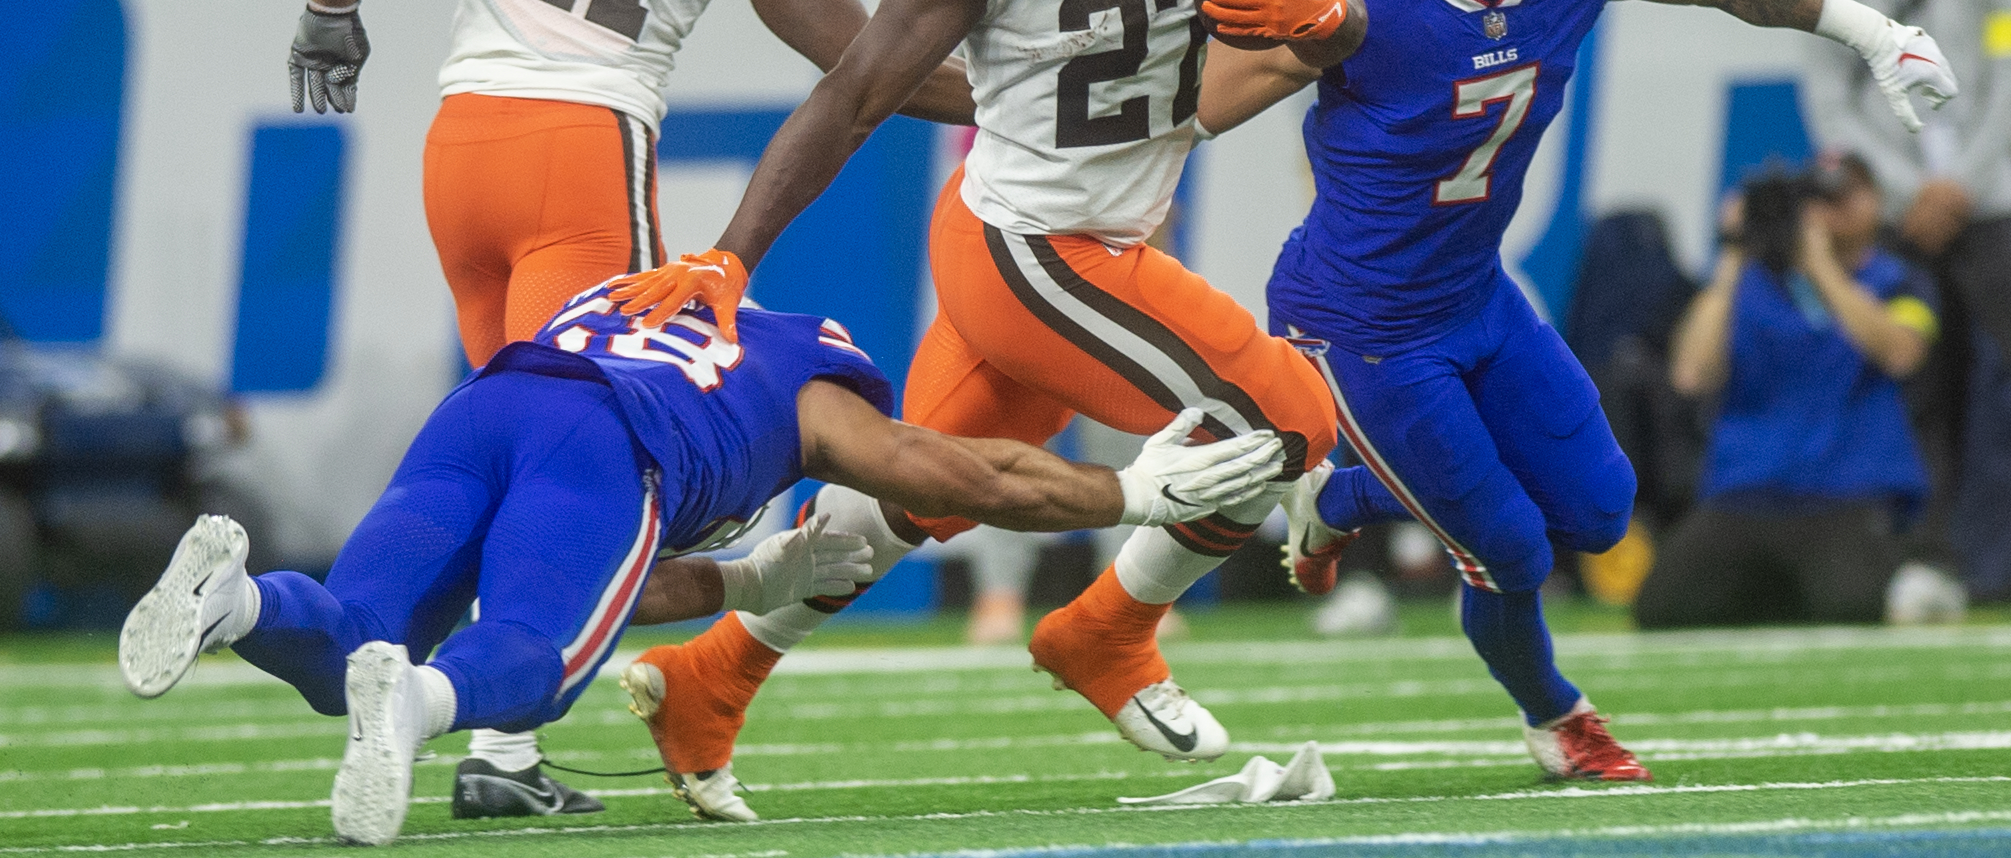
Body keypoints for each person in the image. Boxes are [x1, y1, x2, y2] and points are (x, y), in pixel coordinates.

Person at [608, 0, 1351, 816]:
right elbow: (854, 90)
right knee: (1290, 422)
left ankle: (708, 675)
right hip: (1034, 251)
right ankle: (1108, 632)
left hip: (1087, 227)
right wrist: (728, 255)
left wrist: (1319, 4)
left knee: (921, 494)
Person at [282, 0, 974, 815]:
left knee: (513, 454)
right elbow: (846, 54)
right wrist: (989, 96)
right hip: (586, 146)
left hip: (461, 143)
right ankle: (494, 750)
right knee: (592, 469)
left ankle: (417, 695)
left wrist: (332, 2)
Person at [1192, 0, 1960, 782]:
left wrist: (1870, 31)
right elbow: (1201, 109)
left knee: (1597, 511)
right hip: (1360, 321)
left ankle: (1335, 496)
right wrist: (1294, 37)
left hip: (1474, 291)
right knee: (1508, 549)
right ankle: (1557, 718)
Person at [117, 274, 1285, 845]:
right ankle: (420, 705)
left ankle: (236, 601)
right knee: (540, 660)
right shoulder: (811, 373)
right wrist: (1127, 489)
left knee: (348, 635)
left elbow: (634, 579)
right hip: (605, 443)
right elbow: (951, 474)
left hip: (483, 409)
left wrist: (746, 581)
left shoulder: (638, 299)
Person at [1802, 0, 2011, 603]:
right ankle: (1936, 557)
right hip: (1896, 216)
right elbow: (1830, 106)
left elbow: (2005, 77)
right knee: (1915, 387)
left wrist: (1961, 182)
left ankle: (1998, 557)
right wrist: (1906, 190)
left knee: (2002, 379)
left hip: (1989, 208)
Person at [1639, 154, 1956, 628]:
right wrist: (1732, 255)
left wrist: (1820, 265)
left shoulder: (1901, 281)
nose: (1825, 212)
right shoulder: (1746, 286)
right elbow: (1690, 374)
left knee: (1851, 609)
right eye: (1814, 200)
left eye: (1840, 197)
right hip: (1743, 495)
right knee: (1662, 611)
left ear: (1874, 203)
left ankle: (1913, 578)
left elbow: (1900, 353)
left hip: (1845, 496)